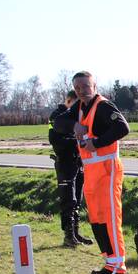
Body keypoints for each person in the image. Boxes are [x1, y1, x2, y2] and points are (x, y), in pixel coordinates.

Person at [52, 71, 129, 274]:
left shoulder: (103, 106)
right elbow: (57, 123)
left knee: (111, 218)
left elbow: (123, 128)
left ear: (94, 86)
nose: (81, 91)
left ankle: (118, 267)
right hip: (91, 172)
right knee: (96, 218)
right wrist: (73, 125)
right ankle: (109, 262)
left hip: (107, 170)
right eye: (77, 88)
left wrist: (97, 142)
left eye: (85, 86)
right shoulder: (79, 107)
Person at [49, 90, 93, 247]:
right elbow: (55, 139)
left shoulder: (77, 115)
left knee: (78, 200)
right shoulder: (58, 116)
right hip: (65, 162)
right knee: (68, 200)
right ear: (69, 101)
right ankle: (68, 235)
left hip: (78, 161)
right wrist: (77, 143)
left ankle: (76, 232)